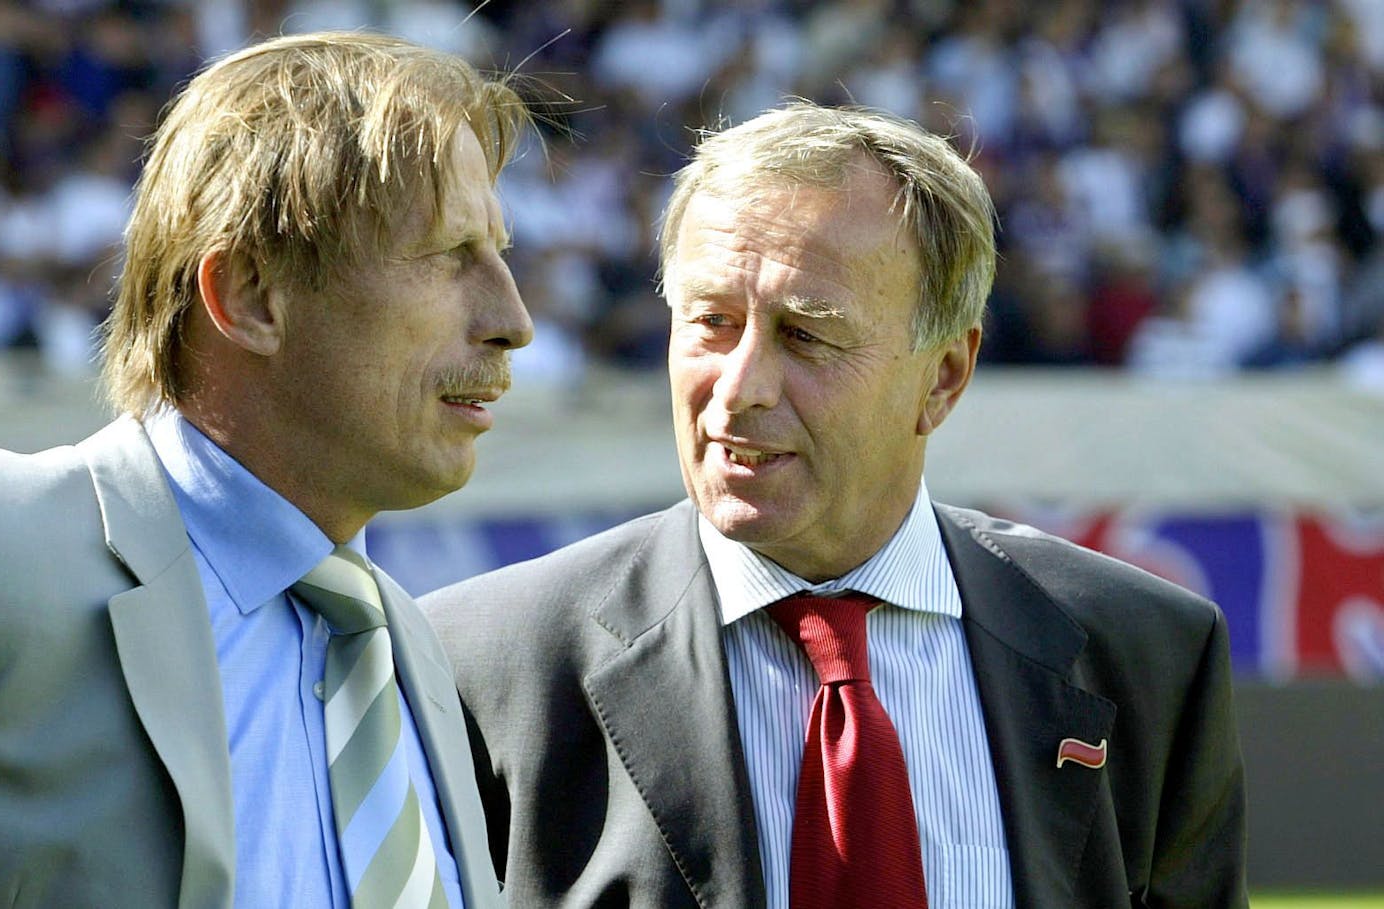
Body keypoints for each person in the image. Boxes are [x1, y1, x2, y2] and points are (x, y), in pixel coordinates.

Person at [0, 32, 531, 908]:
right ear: (249, 295)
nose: (513, 318)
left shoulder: (408, 646)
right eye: (448, 255)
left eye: (501, 253)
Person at [421, 103, 1248, 909]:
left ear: (944, 376)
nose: (739, 388)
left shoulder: (1147, 654)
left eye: (807, 334)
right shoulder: (479, 669)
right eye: (711, 321)